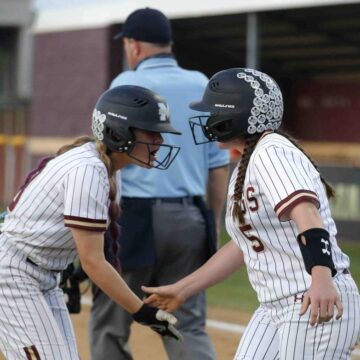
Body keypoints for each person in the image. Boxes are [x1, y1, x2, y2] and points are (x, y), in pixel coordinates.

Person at [142, 68, 360, 359]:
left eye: (211, 112)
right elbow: (244, 246)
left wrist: (322, 279)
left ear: (234, 116)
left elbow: (307, 214)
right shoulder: (249, 161)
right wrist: (184, 289)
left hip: (313, 296)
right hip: (276, 305)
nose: (206, 120)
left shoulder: (271, 150)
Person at [0, 85, 183, 360]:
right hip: (13, 275)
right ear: (118, 132)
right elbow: (94, 261)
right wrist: (143, 313)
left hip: (38, 272)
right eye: (150, 131)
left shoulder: (104, 166)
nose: (158, 140)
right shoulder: (89, 170)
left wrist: (70, 270)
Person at [89, 7, 230, 360]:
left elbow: (104, 160)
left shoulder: (126, 85)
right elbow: (217, 169)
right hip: (191, 217)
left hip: (133, 218)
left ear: (134, 45)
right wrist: (210, 226)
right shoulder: (202, 84)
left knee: (111, 324)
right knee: (189, 325)